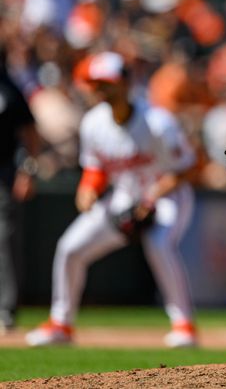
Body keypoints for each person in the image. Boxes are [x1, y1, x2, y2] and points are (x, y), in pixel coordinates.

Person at [25, 52, 199, 347]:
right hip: (125, 197)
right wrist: (87, 189)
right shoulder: (93, 123)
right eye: (96, 84)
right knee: (70, 247)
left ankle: (183, 325)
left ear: (125, 84)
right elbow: (95, 168)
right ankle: (61, 324)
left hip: (169, 197)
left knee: (159, 244)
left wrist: (153, 196)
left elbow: (187, 168)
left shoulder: (157, 122)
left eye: (107, 83)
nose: (101, 90)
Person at [0, 59, 40, 334]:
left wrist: (28, 170)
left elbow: (30, 132)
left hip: (4, 172)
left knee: (4, 237)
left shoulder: (8, 87)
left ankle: (5, 309)